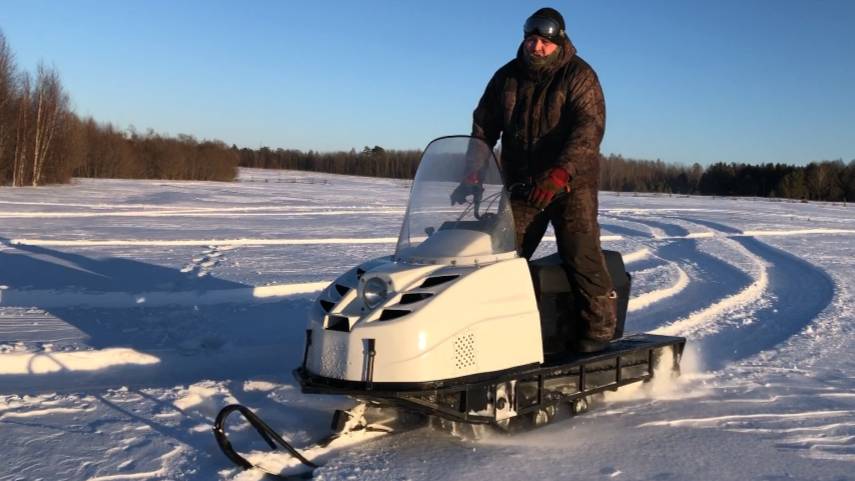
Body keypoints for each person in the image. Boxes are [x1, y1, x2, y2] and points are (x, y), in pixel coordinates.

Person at [454, 7, 616, 352]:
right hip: (525, 184)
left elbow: (588, 130)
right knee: (501, 254)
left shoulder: (579, 76)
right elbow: (484, 127)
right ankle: (494, 327)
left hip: (570, 183)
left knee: (580, 252)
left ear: (558, 44)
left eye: (544, 42)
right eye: (532, 40)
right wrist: (474, 171)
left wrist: (560, 173)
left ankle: (599, 332)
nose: (537, 47)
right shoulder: (507, 77)